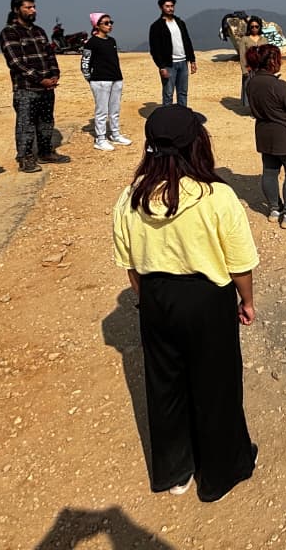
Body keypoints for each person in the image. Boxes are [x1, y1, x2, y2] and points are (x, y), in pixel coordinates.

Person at [111, 104, 259, 501]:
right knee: (217, 384)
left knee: (165, 384)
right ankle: (220, 473)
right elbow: (240, 263)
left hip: (156, 297)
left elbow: (130, 265)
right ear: (197, 144)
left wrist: (150, 301)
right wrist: (246, 301)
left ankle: (175, 471)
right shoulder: (217, 196)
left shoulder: (130, 197)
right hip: (207, 299)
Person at [244, 45, 286, 228]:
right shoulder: (280, 86)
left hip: (264, 134)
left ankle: (275, 209)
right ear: (273, 61)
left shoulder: (251, 84)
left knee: (269, 172)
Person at [0, 0, 68, 173]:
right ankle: (25, 158)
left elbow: (50, 55)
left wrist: (55, 75)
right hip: (26, 88)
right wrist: (40, 79)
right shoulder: (9, 32)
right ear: (16, 10)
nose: (33, 10)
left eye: (34, 7)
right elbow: (15, 62)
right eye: (28, 7)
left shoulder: (39, 31)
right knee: (26, 125)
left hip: (47, 88)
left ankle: (46, 152)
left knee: (46, 122)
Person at [82, 13, 132, 152]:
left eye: (111, 22)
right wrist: (90, 79)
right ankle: (100, 139)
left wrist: (118, 77)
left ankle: (115, 134)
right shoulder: (91, 42)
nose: (109, 25)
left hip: (116, 79)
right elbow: (85, 62)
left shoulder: (112, 41)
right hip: (100, 81)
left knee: (115, 109)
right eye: (106, 23)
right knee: (102, 111)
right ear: (97, 25)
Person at [147, 0, 198, 108]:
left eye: (172, 6)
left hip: (183, 62)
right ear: (161, 7)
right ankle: (167, 117)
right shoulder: (156, 26)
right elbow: (155, 49)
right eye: (167, 6)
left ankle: (183, 115)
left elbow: (187, 41)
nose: (170, 9)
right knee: (168, 94)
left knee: (183, 92)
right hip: (169, 65)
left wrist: (192, 60)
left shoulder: (180, 23)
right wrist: (161, 66)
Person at [235, 17, 266, 108]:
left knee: (261, 89)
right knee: (250, 88)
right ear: (249, 27)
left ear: (260, 27)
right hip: (249, 68)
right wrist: (244, 69)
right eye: (252, 27)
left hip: (261, 69)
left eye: (256, 26)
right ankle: (252, 107)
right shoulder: (245, 39)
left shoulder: (264, 40)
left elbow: (267, 54)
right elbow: (242, 55)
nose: (254, 28)